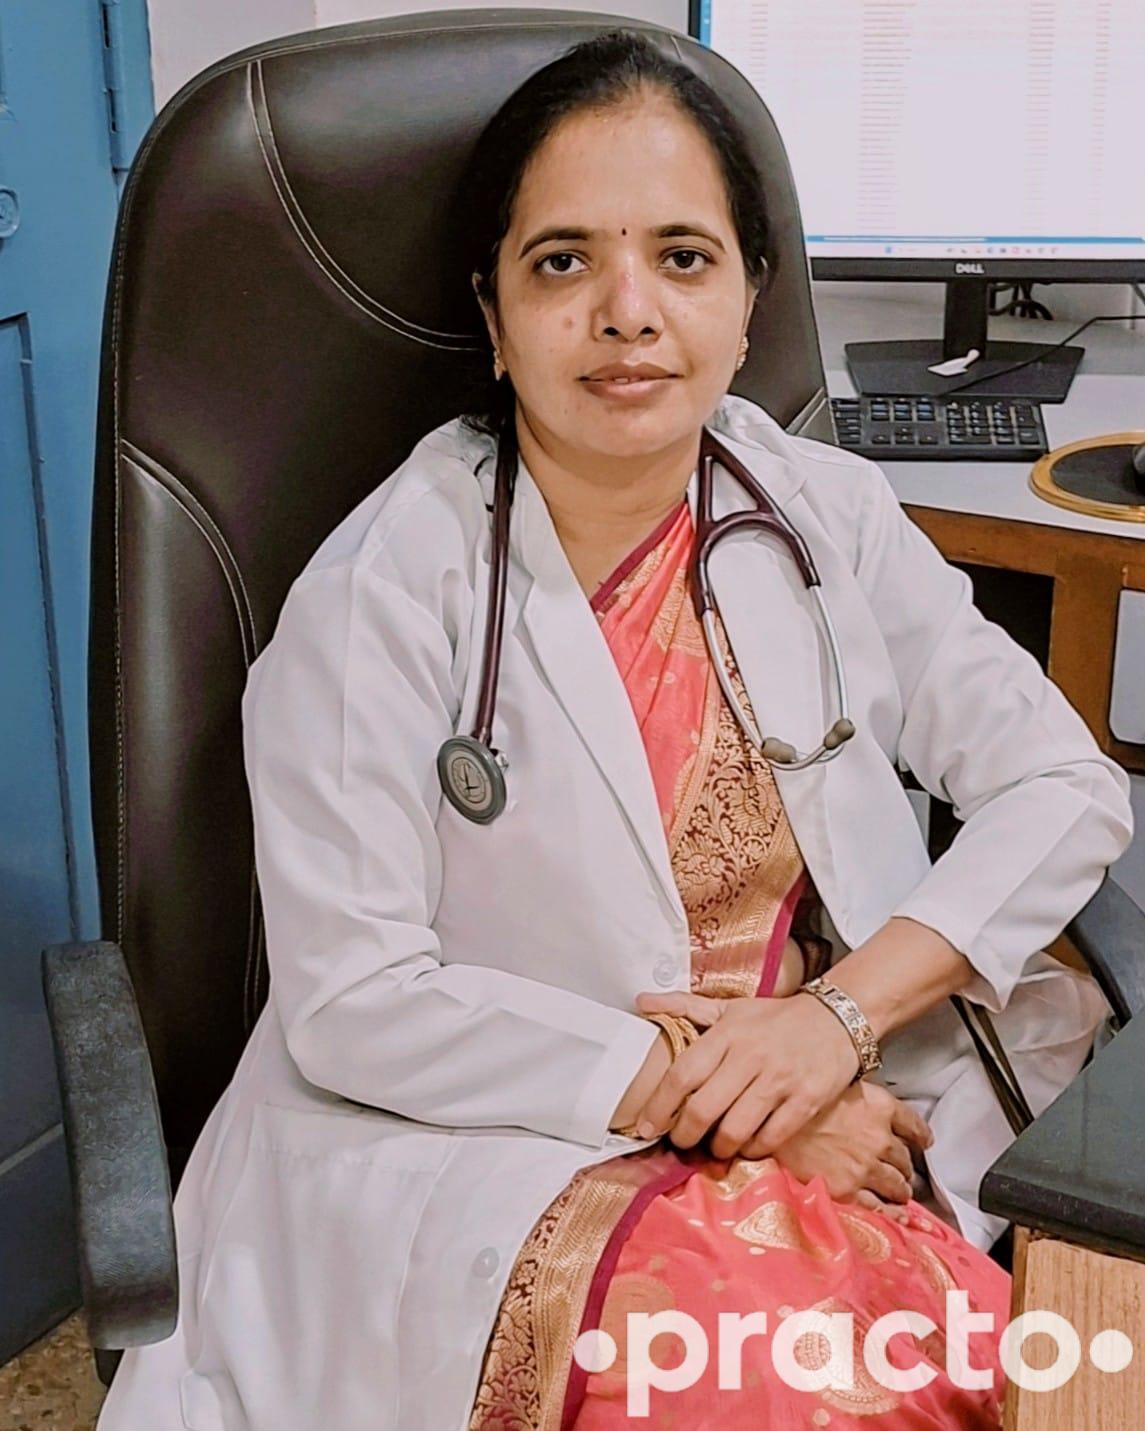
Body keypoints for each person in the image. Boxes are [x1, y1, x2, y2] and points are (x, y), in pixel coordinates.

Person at [97, 28, 1133, 1431]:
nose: (627, 311)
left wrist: (831, 1024)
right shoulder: (383, 595)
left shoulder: (823, 514)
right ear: (493, 311)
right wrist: (730, 1098)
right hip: (488, 1145)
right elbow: (355, 1003)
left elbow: (1065, 785)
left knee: (1070, 1371)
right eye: (562, 262)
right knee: (792, 1389)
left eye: (683, 257)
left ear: (752, 296)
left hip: (826, 1097)